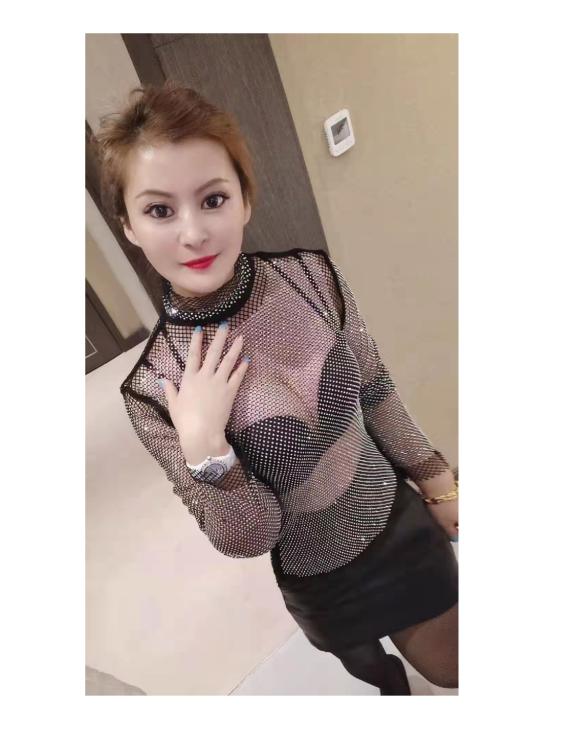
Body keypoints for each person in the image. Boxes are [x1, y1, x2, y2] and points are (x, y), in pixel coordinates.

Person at [95, 80, 459, 695]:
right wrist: (206, 448)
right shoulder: (153, 387)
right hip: (322, 580)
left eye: (213, 199)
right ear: (129, 226)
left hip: (396, 525)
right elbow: (249, 538)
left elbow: (375, 390)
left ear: (245, 199)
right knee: (381, 679)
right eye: (160, 210)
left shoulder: (312, 277)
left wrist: (440, 482)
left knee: (455, 668)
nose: (193, 233)